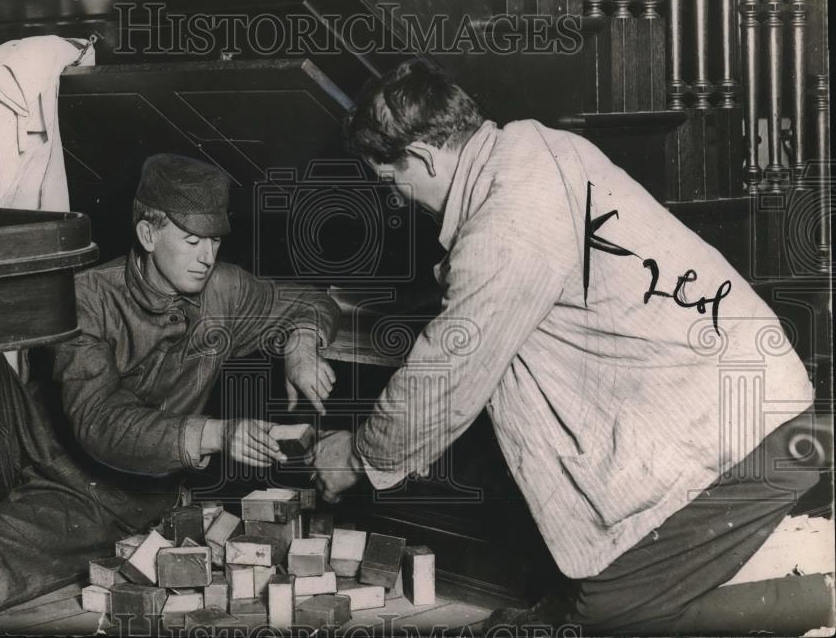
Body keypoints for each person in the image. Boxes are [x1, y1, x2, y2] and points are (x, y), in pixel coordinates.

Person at [310, 60, 822, 634]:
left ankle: (821, 592)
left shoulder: (505, 224)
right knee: (585, 600)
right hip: (754, 403)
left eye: (391, 181)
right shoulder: (537, 147)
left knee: (616, 621)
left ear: (426, 158)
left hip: (739, 434)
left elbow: (447, 374)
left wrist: (359, 455)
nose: (400, 200)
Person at [0, 153, 339, 631]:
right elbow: (101, 422)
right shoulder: (90, 295)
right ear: (148, 234)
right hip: (26, 442)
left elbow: (305, 300)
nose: (207, 257)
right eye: (191, 241)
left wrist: (300, 345)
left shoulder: (224, 290)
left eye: (214, 242)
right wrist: (216, 434)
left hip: (99, 494)